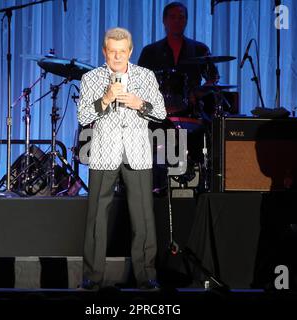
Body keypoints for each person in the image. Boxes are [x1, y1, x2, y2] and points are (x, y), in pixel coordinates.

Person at [77, 27, 166, 290]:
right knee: (96, 217)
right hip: (105, 153)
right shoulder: (91, 78)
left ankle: (146, 276)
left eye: (122, 52)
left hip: (137, 154)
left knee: (143, 218)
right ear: (104, 52)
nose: (117, 57)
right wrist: (105, 99)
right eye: (112, 52)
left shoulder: (145, 76)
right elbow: (83, 117)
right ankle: (92, 277)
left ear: (130, 52)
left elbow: (160, 113)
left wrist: (140, 103)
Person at [138, 1, 219, 114]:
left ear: (186, 21)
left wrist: (197, 93)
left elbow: (213, 78)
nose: (177, 21)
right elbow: (139, 81)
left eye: (181, 17)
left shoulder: (200, 49)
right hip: (157, 112)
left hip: (192, 111)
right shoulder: (150, 51)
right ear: (164, 21)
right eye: (172, 17)